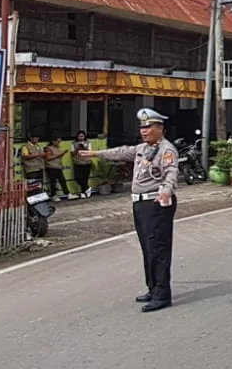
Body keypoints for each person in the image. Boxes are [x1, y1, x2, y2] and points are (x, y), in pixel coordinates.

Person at [79, 108, 180, 312]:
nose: (144, 131)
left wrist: (166, 191)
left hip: (156, 203)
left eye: (149, 127)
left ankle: (162, 294)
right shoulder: (142, 148)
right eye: (142, 127)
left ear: (160, 128)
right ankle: (152, 288)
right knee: (147, 248)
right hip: (140, 204)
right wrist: (97, 153)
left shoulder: (166, 150)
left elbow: (171, 172)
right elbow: (121, 151)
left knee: (158, 249)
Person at [71, 130, 95, 198]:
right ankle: (87, 188)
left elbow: (90, 152)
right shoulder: (73, 143)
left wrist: (84, 147)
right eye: (79, 136)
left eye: (82, 136)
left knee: (85, 178)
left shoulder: (88, 142)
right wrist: (77, 148)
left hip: (86, 162)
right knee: (77, 178)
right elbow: (72, 154)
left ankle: (84, 192)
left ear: (84, 136)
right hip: (77, 163)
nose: (81, 137)